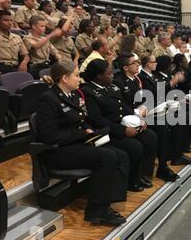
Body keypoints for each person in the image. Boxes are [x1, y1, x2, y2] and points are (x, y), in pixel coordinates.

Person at [36, 62, 129, 226]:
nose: (80, 79)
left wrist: (89, 131)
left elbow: (81, 120)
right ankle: (96, 211)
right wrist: (81, 134)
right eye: (77, 75)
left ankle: (109, 199)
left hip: (77, 144)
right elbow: (49, 136)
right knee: (107, 156)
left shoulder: (74, 95)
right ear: (64, 78)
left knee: (120, 154)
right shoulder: (48, 99)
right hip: (59, 151)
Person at [81, 59, 158, 190]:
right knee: (134, 146)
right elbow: (97, 120)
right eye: (109, 73)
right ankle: (130, 180)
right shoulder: (88, 92)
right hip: (108, 131)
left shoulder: (112, 87)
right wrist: (123, 130)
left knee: (150, 137)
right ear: (99, 76)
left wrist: (139, 119)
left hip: (124, 124)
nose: (112, 76)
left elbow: (123, 106)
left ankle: (143, 174)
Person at [113, 53, 180, 182]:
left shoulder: (136, 79)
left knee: (164, 125)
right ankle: (152, 170)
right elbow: (121, 104)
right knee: (161, 128)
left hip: (143, 114)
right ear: (126, 68)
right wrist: (137, 112)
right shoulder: (119, 81)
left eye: (138, 62)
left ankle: (161, 167)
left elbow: (144, 98)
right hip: (129, 118)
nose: (138, 64)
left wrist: (146, 107)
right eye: (135, 63)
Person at [0, 0, 30, 83]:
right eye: (6, 20)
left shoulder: (17, 37)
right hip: (0, 69)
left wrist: (24, 62)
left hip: (16, 67)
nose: (10, 23)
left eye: (11, 20)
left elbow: (26, 55)